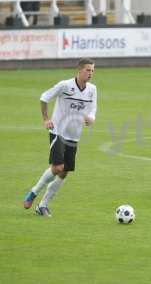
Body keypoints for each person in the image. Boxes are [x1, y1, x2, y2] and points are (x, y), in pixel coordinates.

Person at [23, 58, 97, 217]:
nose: (90, 73)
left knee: (64, 172)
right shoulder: (65, 85)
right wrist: (46, 119)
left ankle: (43, 205)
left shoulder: (92, 89)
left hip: (74, 135)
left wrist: (91, 119)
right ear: (79, 70)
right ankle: (33, 192)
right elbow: (44, 97)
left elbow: (93, 110)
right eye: (87, 70)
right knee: (58, 167)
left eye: (92, 70)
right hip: (58, 131)